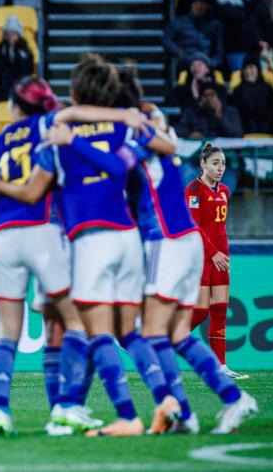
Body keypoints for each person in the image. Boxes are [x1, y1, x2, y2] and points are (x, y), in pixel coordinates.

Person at [47, 80, 257, 434]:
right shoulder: (149, 124)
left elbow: (114, 166)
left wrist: (75, 141)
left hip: (167, 239)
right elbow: (165, 143)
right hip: (183, 240)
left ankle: (229, 399)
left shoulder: (136, 132)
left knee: (153, 333)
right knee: (175, 334)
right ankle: (187, 414)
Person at [0, 55, 181, 436]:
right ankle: (168, 401)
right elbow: (162, 148)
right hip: (130, 236)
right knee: (127, 332)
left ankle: (81, 409)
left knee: (72, 328)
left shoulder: (53, 138)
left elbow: (33, 190)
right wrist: (136, 118)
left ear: (76, 94)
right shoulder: (128, 130)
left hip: (78, 240)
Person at [0, 77, 99, 435]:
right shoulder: (46, 125)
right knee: (75, 323)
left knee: (7, 333)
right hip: (42, 231)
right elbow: (73, 117)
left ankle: (1, 410)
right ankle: (66, 406)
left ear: (14, 106)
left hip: (3, 236)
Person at [187, 144, 248, 380]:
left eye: (222, 163)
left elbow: (218, 228)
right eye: (215, 163)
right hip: (203, 257)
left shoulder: (223, 190)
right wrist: (212, 253)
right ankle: (165, 343)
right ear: (203, 164)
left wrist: (222, 252)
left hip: (222, 257)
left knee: (220, 311)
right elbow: (195, 227)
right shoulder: (193, 190)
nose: (220, 168)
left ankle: (221, 365)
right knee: (201, 313)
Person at [162, 0, 224, 70]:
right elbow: (165, 38)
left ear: (207, 6)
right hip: (187, 62)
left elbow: (220, 49)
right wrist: (177, 52)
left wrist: (212, 63)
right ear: (191, 5)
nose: (198, 6)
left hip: (207, 63)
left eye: (202, 3)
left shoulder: (214, 24)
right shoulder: (180, 21)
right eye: (195, 2)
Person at [176, 79, 244, 139]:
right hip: (199, 150)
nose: (208, 98)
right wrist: (189, 135)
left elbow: (237, 135)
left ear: (218, 97)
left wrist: (219, 115)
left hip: (224, 151)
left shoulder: (231, 112)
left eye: (212, 95)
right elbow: (180, 131)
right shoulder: (191, 113)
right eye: (205, 95)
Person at [232, 54, 273, 134]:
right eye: (245, 68)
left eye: (251, 67)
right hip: (245, 130)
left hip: (268, 128)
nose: (248, 72)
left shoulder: (268, 88)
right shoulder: (237, 90)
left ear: (258, 69)